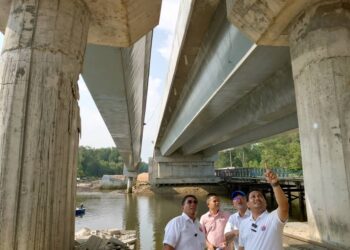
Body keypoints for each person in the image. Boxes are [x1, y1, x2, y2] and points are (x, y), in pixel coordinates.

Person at [238, 169, 289, 250]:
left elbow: (284, 207)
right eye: (253, 196)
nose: (257, 198)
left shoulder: (273, 218)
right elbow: (241, 247)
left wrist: (275, 185)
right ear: (248, 204)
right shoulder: (243, 224)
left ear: (266, 203)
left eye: (260, 196)